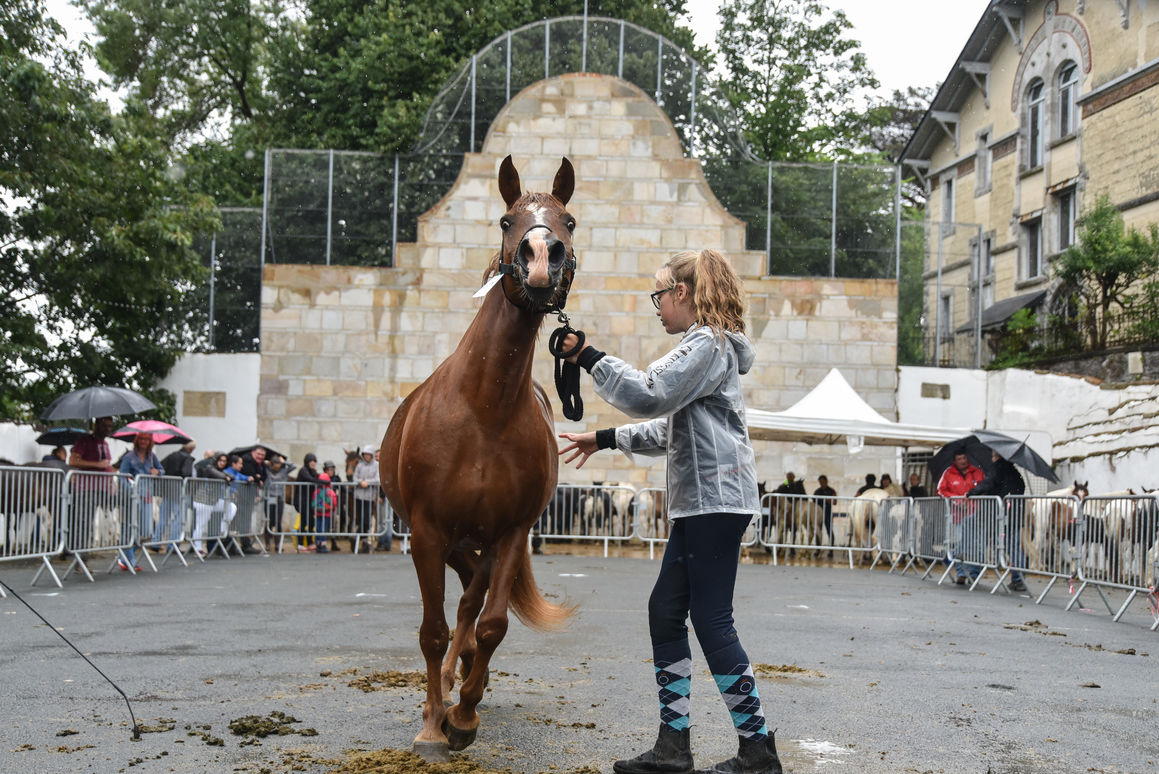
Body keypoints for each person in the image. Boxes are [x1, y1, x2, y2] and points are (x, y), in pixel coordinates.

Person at [557, 249, 782, 774]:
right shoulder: (708, 348)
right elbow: (668, 427)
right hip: (705, 503)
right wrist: (606, 438)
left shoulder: (705, 342)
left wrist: (588, 355)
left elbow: (650, 393)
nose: (655, 305)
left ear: (683, 293)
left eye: (658, 294)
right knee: (667, 611)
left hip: (715, 502)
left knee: (711, 619)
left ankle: (757, 750)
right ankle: (675, 746)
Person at [969, 451, 1029, 592]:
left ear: (997, 456)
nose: (991, 458)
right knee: (1014, 545)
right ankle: (1018, 578)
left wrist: (972, 492)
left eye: (992, 456)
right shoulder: (1015, 472)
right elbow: (1021, 487)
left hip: (1002, 512)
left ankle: (974, 571)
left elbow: (989, 483)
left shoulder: (998, 468)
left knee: (1001, 543)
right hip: (1015, 513)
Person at [937, 448, 985, 585]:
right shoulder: (948, 473)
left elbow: (985, 488)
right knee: (959, 544)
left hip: (976, 515)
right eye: (959, 459)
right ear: (955, 461)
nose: (963, 461)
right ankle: (961, 573)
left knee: (976, 545)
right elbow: (941, 490)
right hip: (958, 515)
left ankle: (974, 573)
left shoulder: (977, 472)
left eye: (964, 458)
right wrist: (956, 499)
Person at [117, 432, 162, 571]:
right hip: (132, 497)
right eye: (141, 439)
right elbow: (122, 476)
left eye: (146, 440)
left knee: (147, 531)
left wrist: (158, 472)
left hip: (147, 496)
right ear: (137, 441)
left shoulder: (152, 457)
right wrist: (130, 491)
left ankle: (123, 554)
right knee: (130, 528)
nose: (143, 442)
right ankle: (129, 559)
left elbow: (161, 469)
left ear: (150, 442)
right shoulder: (129, 457)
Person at [191, 451, 233, 556]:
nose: (222, 463)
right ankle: (198, 548)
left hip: (213, 501)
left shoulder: (220, 470)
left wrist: (227, 477)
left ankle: (222, 529)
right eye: (220, 460)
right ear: (216, 460)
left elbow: (231, 476)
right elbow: (222, 476)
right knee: (200, 524)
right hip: (203, 501)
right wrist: (226, 477)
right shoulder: (209, 468)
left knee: (232, 507)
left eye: (224, 461)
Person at [351, 444, 384, 553]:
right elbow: (355, 477)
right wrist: (360, 482)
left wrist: (367, 483)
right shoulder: (360, 465)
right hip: (359, 495)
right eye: (365, 455)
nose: (367, 457)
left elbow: (377, 479)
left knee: (366, 519)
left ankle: (360, 537)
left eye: (368, 455)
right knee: (359, 518)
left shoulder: (376, 465)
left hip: (369, 497)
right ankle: (363, 540)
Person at [237, 446, 268, 555]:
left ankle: (245, 544)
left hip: (250, 494)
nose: (260, 457)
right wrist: (257, 477)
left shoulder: (261, 464)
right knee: (242, 520)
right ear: (253, 453)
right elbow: (253, 476)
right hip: (242, 494)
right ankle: (244, 545)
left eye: (263, 455)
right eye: (258, 454)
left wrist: (258, 477)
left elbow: (264, 477)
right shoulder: (247, 460)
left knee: (246, 519)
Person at [263, 454, 295, 552]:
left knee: (278, 522)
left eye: (278, 465)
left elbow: (293, 466)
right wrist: (266, 463)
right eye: (275, 466)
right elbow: (261, 466)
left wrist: (284, 462)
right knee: (269, 521)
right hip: (269, 498)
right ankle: (267, 544)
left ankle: (278, 544)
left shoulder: (283, 471)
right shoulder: (267, 471)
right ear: (271, 465)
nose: (277, 468)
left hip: (280, 498)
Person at [294, 453, 322, 551]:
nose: (313, 463)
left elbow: (317, 477)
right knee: (304, 522)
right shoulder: (303, 471)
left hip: (309, 501)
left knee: (311, 522)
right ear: (307, 462)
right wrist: (322, 482)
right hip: (302, 500)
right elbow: (309, 479)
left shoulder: (312, 471)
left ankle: (310, 542)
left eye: (314, 461)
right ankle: (300, 544)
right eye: (311, 461)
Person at [312, 473, 337, 553]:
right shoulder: (331, 492)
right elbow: (334, 503)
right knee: (323, 529)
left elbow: (313, 502)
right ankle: (323, 545)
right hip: (327, 514)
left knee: (318, 528)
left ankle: (318, 544)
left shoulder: (316, 491)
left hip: (318, 513)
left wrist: (315, 510)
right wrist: (331, 510)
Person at [812, 475, 837, 553]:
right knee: (818, 531)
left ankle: (831, 550)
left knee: (829, 531)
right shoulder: (817, 491)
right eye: (820, 482)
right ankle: (818, 549)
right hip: (818, 514)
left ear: (826, 481)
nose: (821, 483)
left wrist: (829, 500)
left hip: (827, 513)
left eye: (822, 482)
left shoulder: (831, 491)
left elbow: (835, 502)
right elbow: (813, 502)